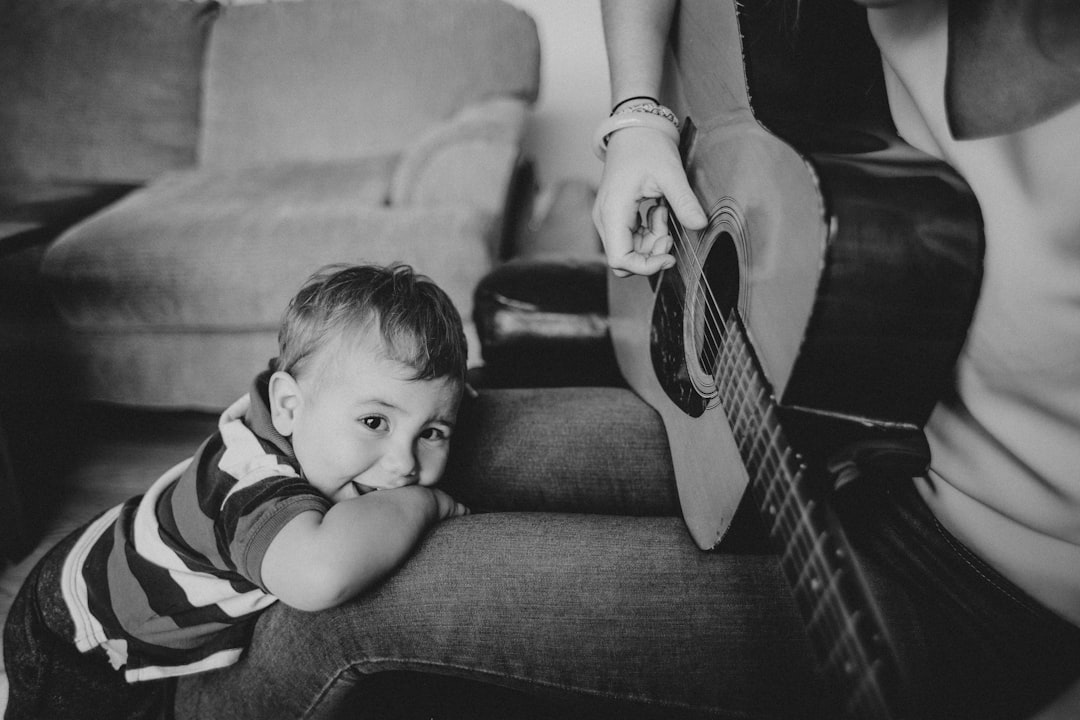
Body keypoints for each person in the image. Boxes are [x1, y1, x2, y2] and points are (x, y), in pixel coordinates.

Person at [170, 1, 1080, 719]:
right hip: (843, 411)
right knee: (426, 450)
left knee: (343, 609)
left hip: (978, 585)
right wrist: (639, 119)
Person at [3, 263, 470, 719]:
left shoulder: (312, 418)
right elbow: (321, 574)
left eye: (431, 432)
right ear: (288, 405)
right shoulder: (252, 485)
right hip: (72, 641)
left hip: (125, 566)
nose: (405, 464)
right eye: (374, 422)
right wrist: (424, 502)